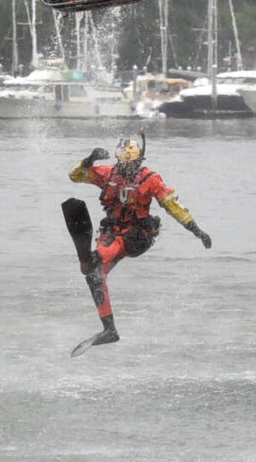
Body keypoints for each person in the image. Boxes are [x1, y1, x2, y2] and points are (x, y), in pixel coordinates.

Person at [61, 134, 211, 348]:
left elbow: (172, 206)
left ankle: (93, 256)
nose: (125, 169)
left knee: (98, 257)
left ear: (139, 162)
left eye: (129, 164)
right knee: (93, 275)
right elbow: (74, 176)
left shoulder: (151, 179)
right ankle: (109, 330)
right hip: (112, 230)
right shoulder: (108, 173)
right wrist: (89, 159)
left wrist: (196, 230)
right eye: (122, 164)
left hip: (137, 235)